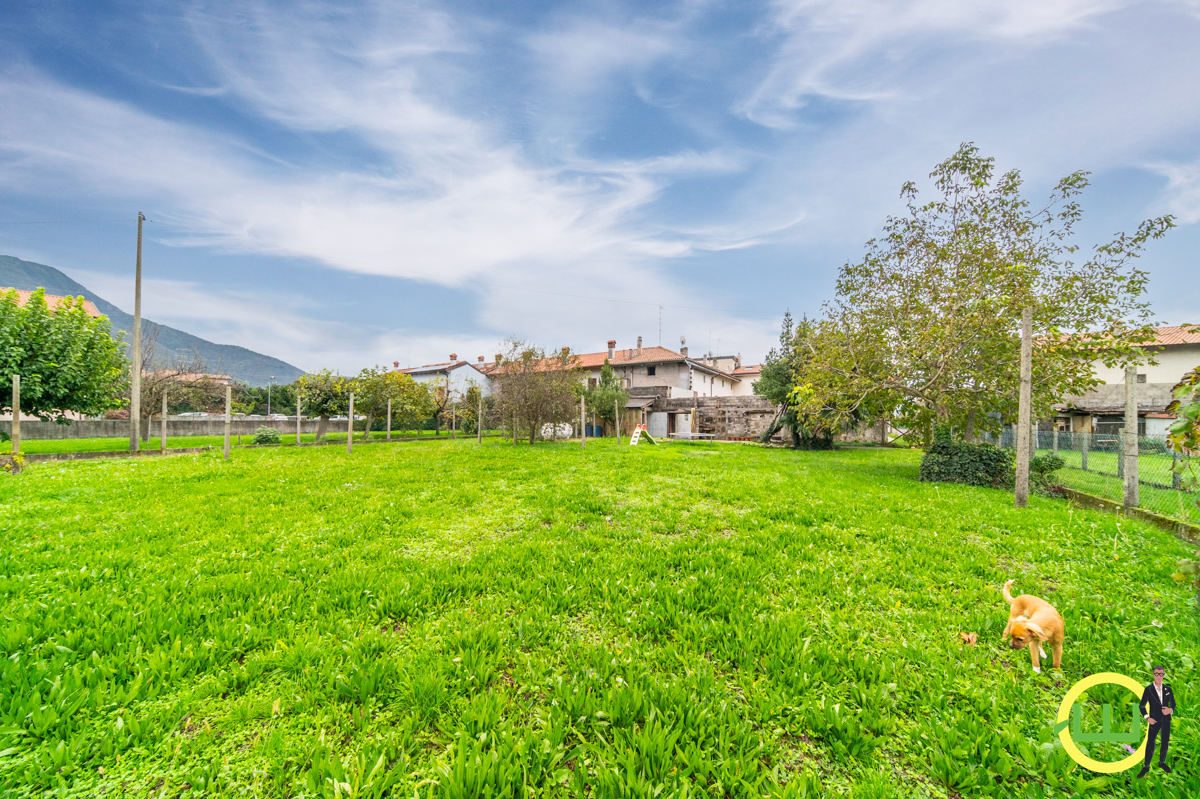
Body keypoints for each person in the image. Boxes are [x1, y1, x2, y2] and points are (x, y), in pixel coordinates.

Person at [1137, 665, 1175, 777]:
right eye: (1157, 674)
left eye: (1161, 674)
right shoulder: (1148, 690)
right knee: (1150, 742)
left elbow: (1173, 704)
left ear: (1163, 675)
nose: (1159, 676)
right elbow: (1142, 705)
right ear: (1154, 675)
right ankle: (1146, 766)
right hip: (1154, 720)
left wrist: (1170, 710)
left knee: (1165, 741)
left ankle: (1162, 762)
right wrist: (1147, 717)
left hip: (1166, 720)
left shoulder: (1168, 689)